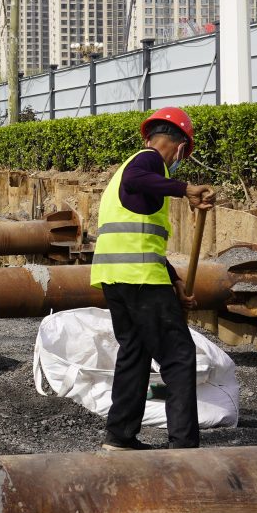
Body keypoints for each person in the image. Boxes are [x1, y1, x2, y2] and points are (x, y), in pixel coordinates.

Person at [90, 107, 216, 451]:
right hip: (140, 279)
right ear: (180, 147)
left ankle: (120, 437)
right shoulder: (147, 162)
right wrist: (185, 188)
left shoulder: (127, 171)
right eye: (182, 156)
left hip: (116, 278)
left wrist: (174, 280)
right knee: (178, 355)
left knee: (135, 352)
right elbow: (137, 179)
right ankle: (184, 448)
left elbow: (142, 238)